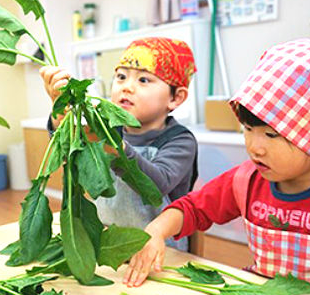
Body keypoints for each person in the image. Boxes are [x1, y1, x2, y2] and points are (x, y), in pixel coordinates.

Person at [124, 38, 310, 295]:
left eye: (271, 135)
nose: (254, 148)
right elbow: (192, 208)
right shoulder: (247, 181)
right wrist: (156, 231)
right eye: (248, 130)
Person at [41, 37, 198, 251]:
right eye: (121, 77)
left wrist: (113, 148)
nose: (127, 87)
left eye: (143, 80)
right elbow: (68, 152)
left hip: (159, 251)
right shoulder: (106, 128)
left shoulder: (180, 141)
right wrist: (60, 111)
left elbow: (156, 186)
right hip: (107, 245)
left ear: (175, 98)